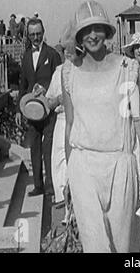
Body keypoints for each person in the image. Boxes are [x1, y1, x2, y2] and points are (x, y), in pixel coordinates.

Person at [61, 0, 140, 252]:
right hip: (83, 164)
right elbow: (69, 123)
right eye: (86, 30)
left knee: (122, 243)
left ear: (107, 32)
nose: (92, 35)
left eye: (97, 28)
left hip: (120, 164)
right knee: (95, 243)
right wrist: (67, 176)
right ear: (78, 36)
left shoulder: (127, 68)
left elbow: (139, 122)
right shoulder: (69, 72)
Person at [16, 18, 62, 196]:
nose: (36, 37)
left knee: (48, 147)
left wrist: (46, 88)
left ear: (43, 33)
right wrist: (19, 110)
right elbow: (23, 83)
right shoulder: (26, 55)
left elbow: (59, 79)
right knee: (34, 146)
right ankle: (38, 185)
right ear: (28, 35)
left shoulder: (52, 54)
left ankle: (51, 186)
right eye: (32, 34)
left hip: (48, 110)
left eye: (38, 34)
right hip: (31, 110)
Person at [45, 20, 76, 209]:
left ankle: (73, 198)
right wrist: (58, 99)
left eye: (71, 49)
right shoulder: (58, 72)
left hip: (78, 120)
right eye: (65, 49)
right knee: (58, 157)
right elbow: (49, 101)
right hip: (61, 119)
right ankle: (61, 196)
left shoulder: (82, 71)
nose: (67, 53)